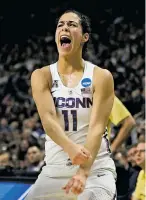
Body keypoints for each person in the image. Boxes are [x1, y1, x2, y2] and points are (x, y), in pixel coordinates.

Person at [25, 9, 116, 200]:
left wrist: (82, 172)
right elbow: (48, 120)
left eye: (72, 24)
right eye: (60, 25)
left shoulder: (101, 76)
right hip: (54, 170)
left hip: (95, 169)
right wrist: (70, 148)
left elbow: (97, 127)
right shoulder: (42, 76)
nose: (64, 27)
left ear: (84, 37)